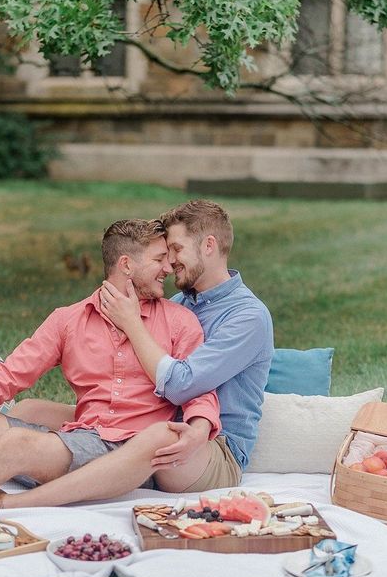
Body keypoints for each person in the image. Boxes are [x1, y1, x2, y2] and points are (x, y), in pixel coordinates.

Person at [0, 219, 225, 508]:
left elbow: (198, 389)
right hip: (79, 439)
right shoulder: (68, 320)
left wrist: (198, 429)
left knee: (18, 444)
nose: (168, 268)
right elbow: (9, 375)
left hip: (128, 454)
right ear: (126, 265)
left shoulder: (179, 322)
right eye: (159, 259)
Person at [100, 199, 274, 478]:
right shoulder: (179, 303)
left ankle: (25, 501)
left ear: (209, 246)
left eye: (177, 249)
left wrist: (132, 323)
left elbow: (181, 385)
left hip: (215, 450)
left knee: (156, 439)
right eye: (166, 253)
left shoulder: (248, 317)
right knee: (37, 411)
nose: (169, 262)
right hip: (158, 426)